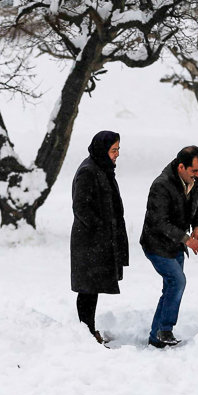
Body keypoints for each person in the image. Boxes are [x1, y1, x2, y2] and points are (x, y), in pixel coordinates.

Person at [139, 146, 198, 348]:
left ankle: (156, 336)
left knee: (170, 287)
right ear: (180, 167)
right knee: (177, 282)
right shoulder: (161, 186)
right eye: (194, 170)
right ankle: (165, 329)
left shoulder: (196, 182)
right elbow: (159, 222)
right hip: (156, 244)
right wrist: (186, 239)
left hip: (176, 244)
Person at [70, 131, 129, 345]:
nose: (117, 154)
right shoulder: (88, 171)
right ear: (102, 149)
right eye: (114, 150)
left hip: (98, 242)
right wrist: (101, 228)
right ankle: (86, 332)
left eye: (118, 150)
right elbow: (81, 207)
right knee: (87, 289)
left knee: (92, 288)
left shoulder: (102, 169)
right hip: (88, 243)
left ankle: (88, 330)